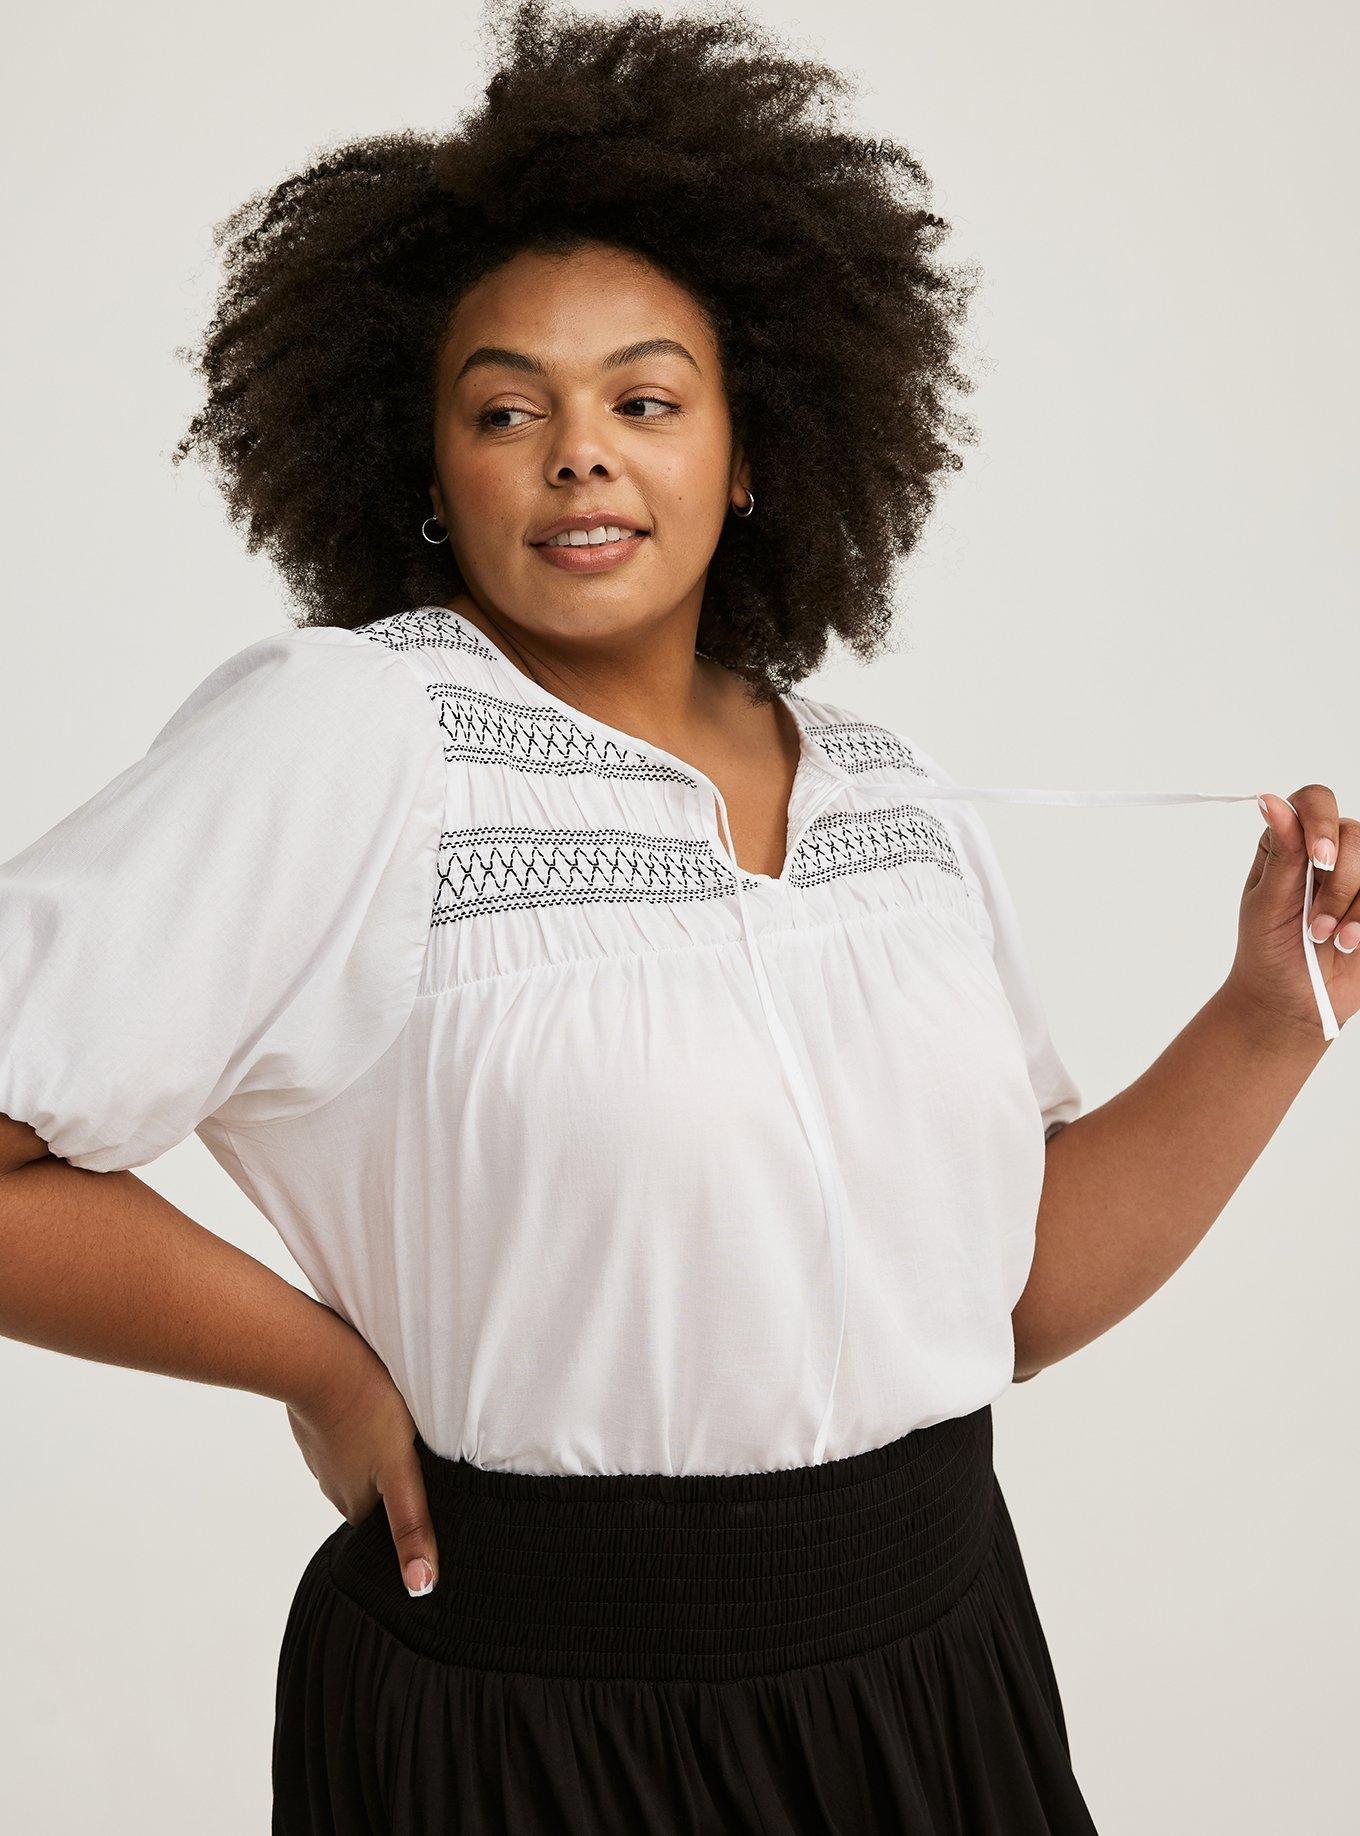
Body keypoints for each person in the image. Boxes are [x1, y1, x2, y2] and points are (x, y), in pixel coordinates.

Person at [0, 3, 1350, 1829]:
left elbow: (1006, 1303)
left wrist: (1270, 1014)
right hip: (536, 1718)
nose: (580, 453)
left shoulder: (884, 791)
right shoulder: (357, 735)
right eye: (506, 411)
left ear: (751, 448)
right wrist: (314, 1365)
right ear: (427, 472)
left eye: (645, 401)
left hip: (938, 1660)